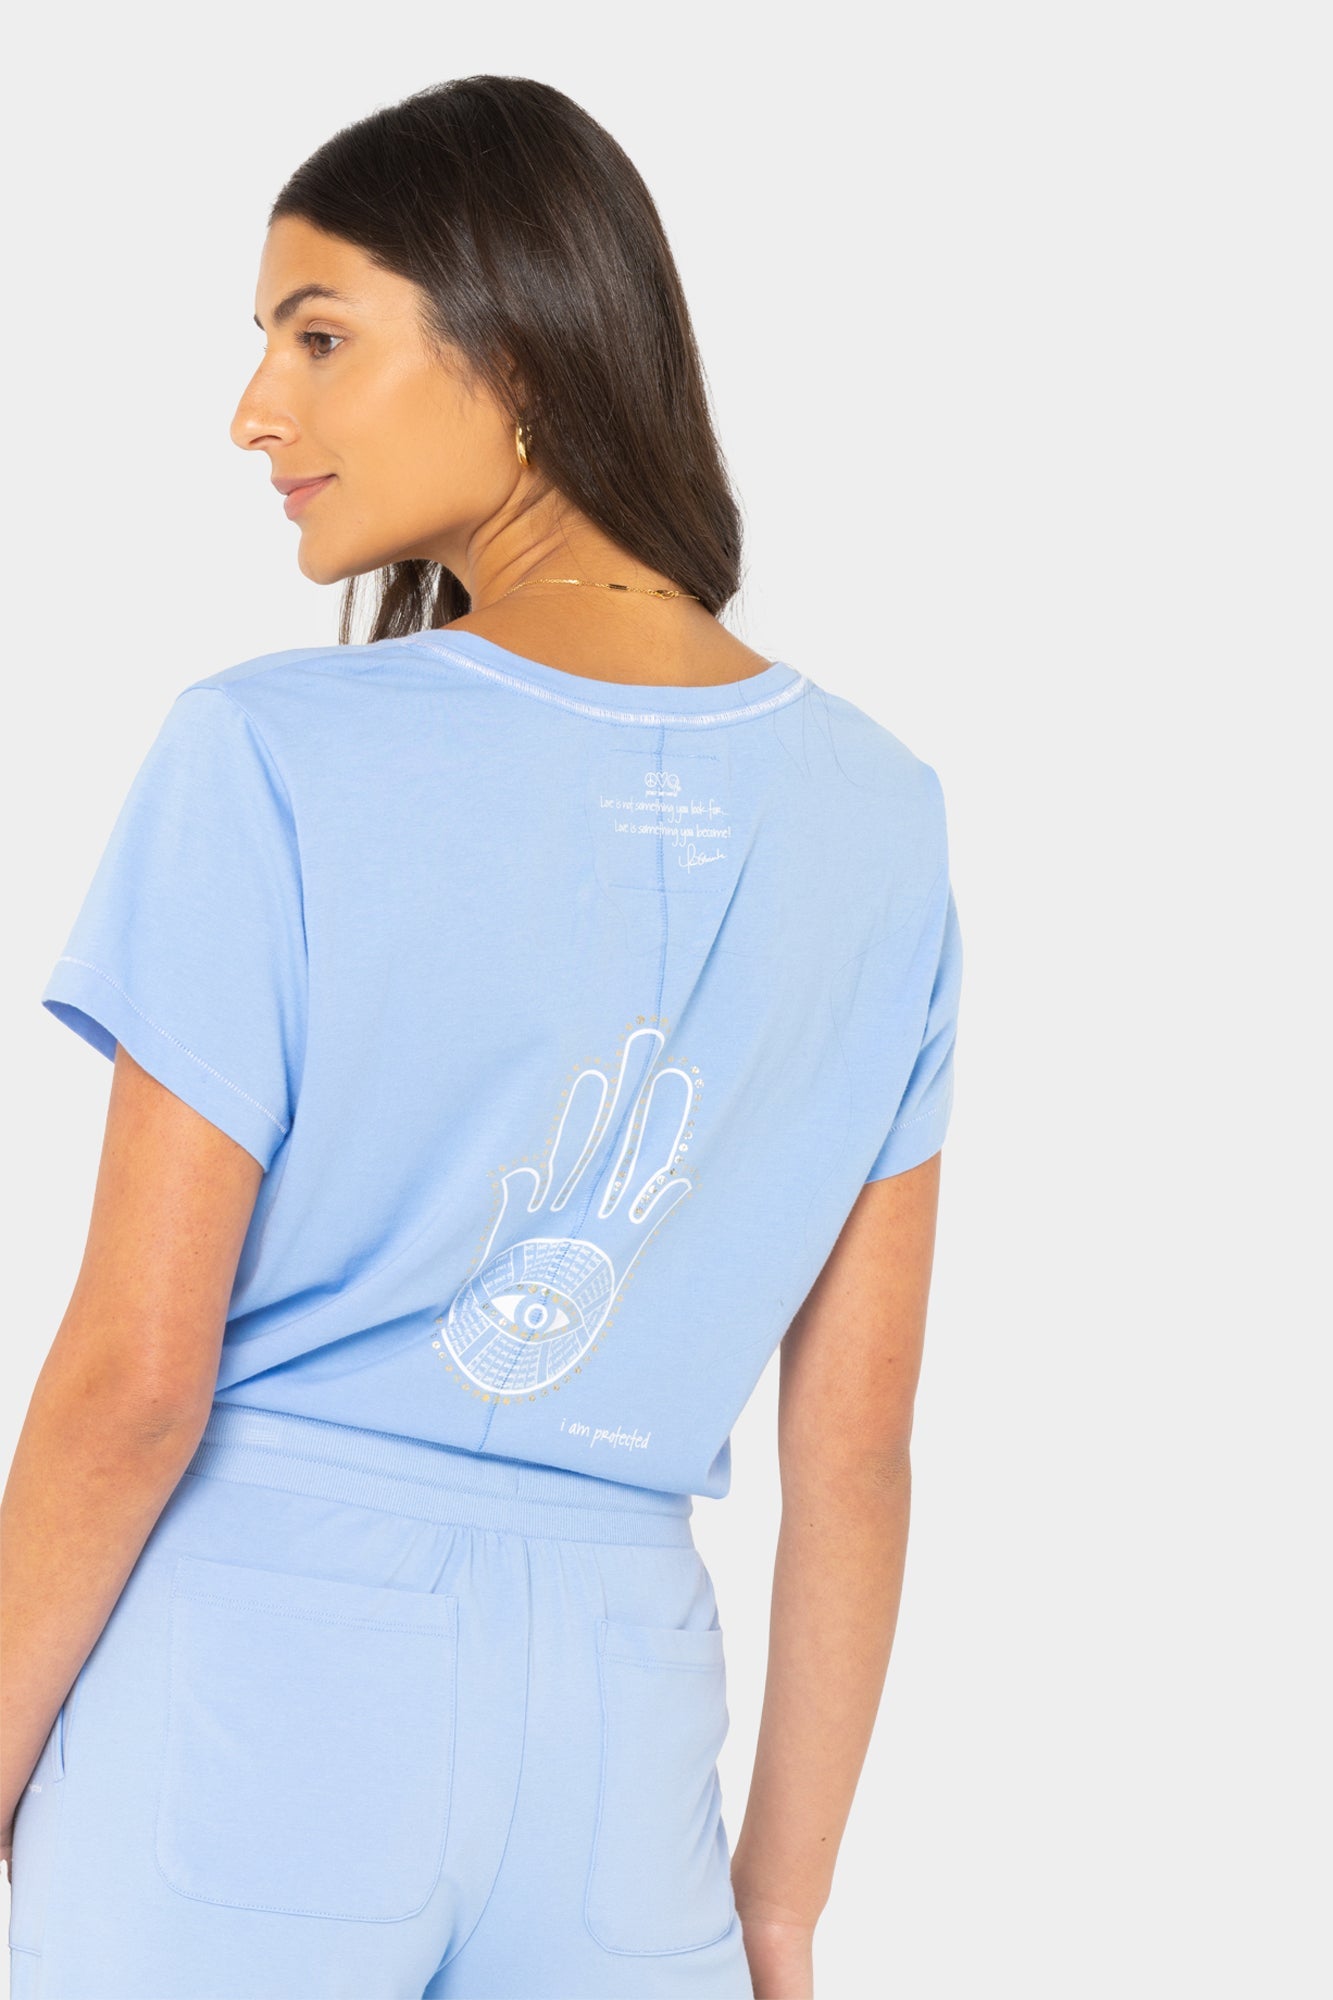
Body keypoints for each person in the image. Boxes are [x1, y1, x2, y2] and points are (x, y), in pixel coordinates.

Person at [1, 73, 962, 2000]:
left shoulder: (270, 750)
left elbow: (135, 1383)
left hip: (256, 1701)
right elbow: (852, 1448)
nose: (253, 410)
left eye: (317, 336)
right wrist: (775, 1908)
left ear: (516, 349)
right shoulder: (884, 814)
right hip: (623, 1737)